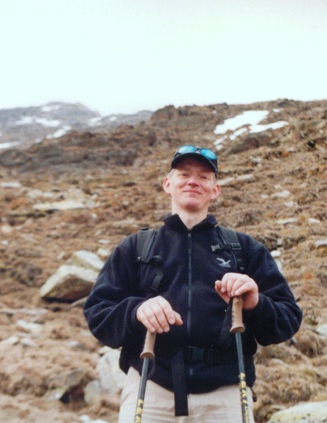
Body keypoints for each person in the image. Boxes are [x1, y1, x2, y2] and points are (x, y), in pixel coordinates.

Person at [83, 145, 302, 422]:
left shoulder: (244, 250)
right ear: (168, 184)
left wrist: (255, 303)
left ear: (215, 190)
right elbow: (98, 314)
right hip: (150, 390)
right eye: (184, 174)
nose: (193, 181)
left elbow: (288, 319)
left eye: (204, 176)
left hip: (225, 396)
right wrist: (137, 310)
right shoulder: (136, 248)